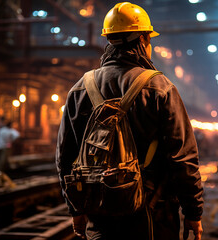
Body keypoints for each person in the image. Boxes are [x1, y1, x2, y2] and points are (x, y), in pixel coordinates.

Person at [55, 2, 204, 240]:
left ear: (109, 41)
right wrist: (193, 211)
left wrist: (77, 209)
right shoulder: (160, 88)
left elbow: (65, 158)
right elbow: (182, 158)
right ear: (144, 40)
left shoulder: (81, 88)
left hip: (100, 212)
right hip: (153, 216)